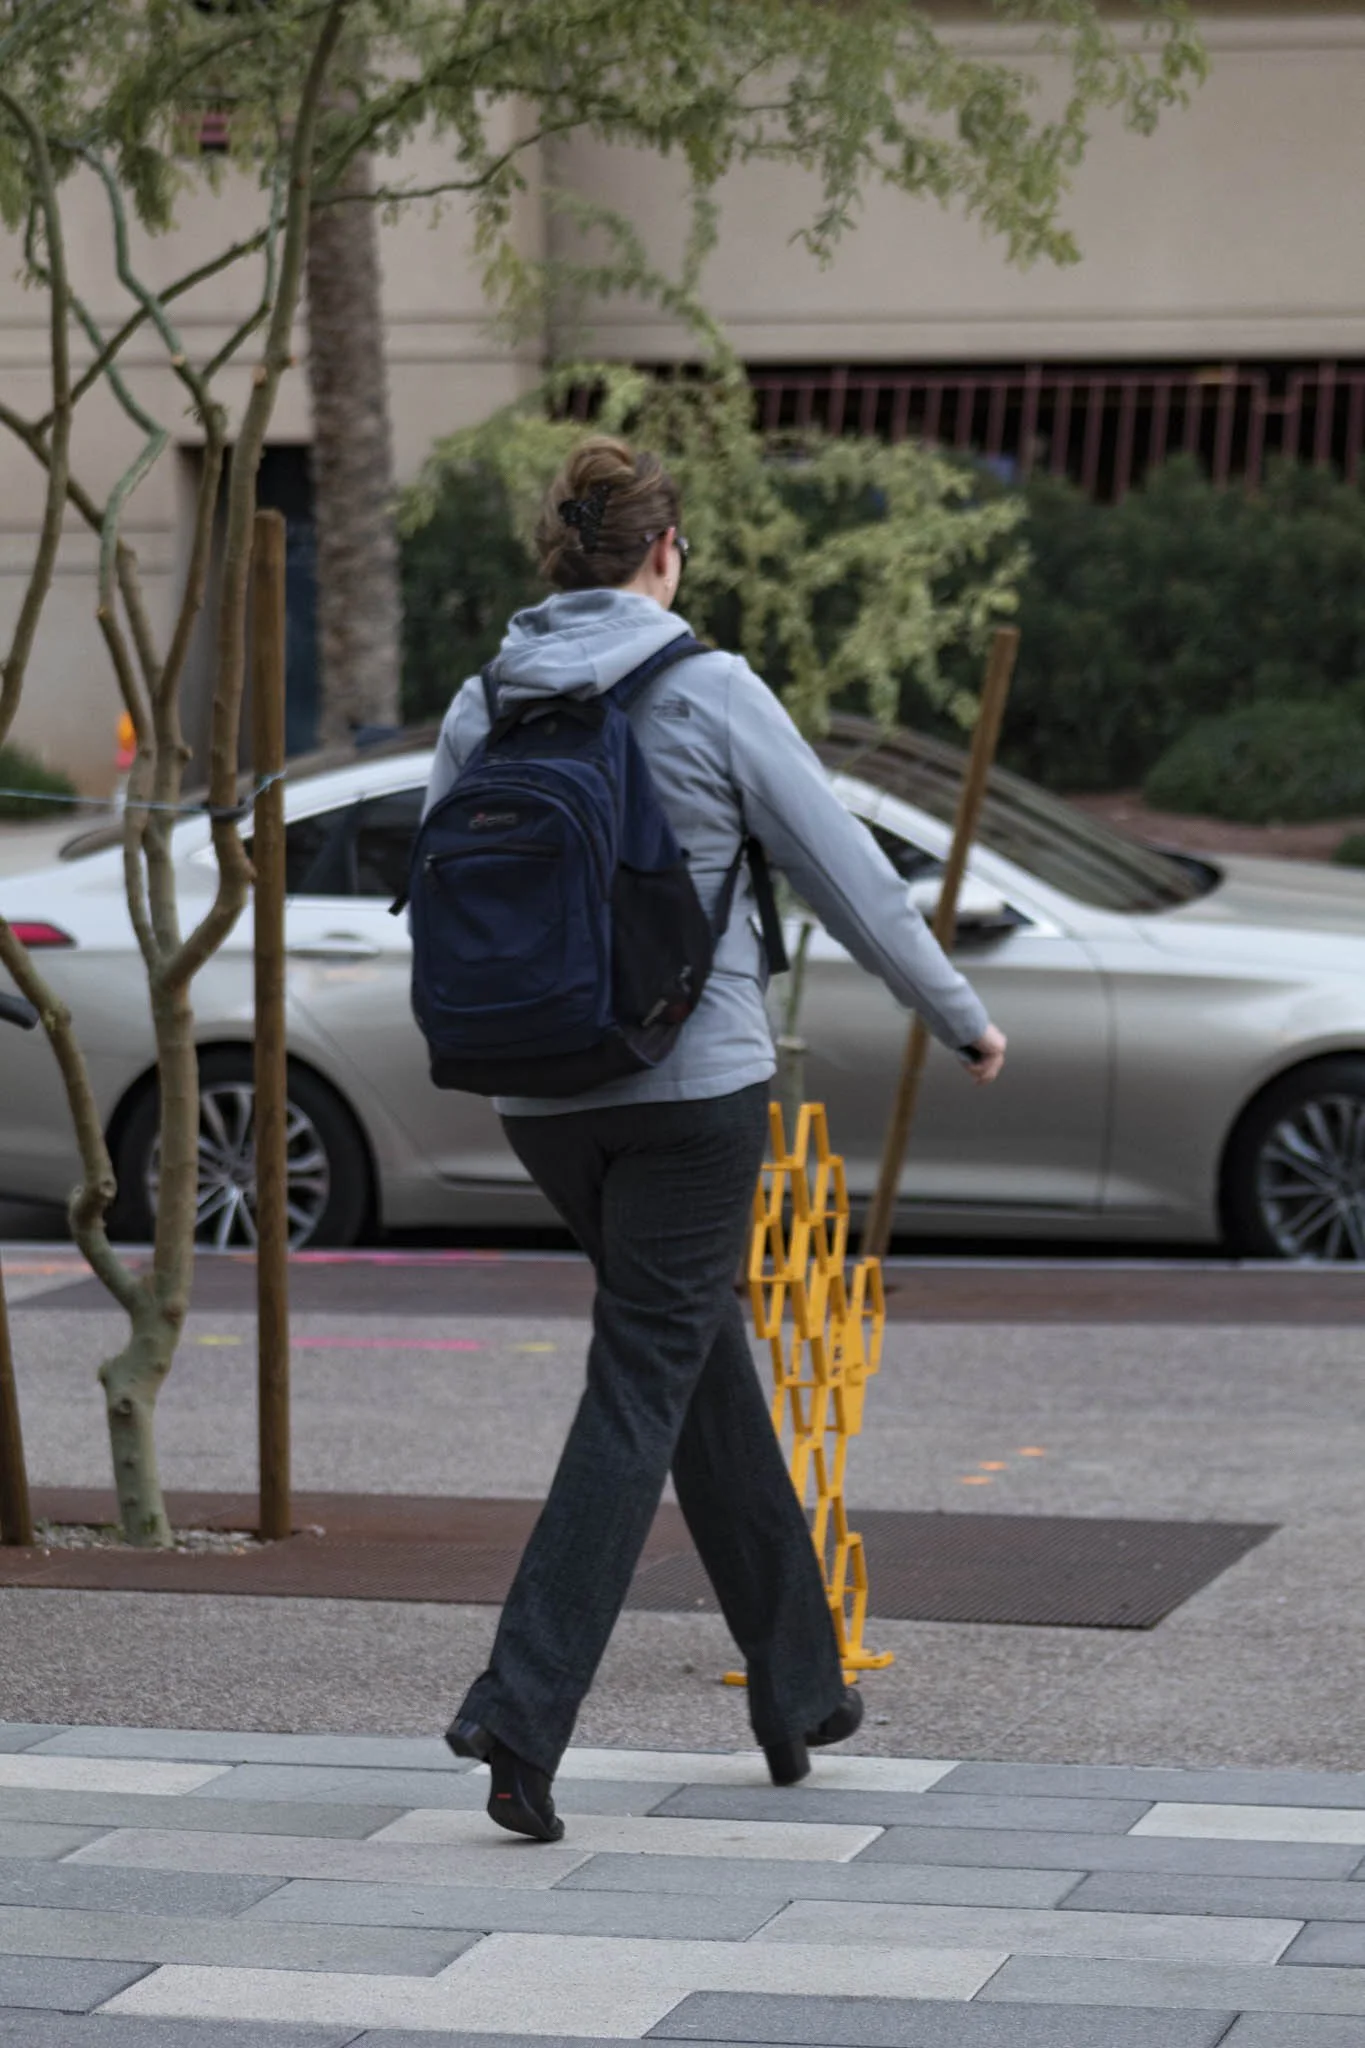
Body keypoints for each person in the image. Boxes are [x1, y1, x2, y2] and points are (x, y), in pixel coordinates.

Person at [426, 434, 1007, 1843]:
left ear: (559, 556)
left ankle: (799, 1685)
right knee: (646, 1373)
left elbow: (448, 889)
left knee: (686, 1361)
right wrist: (960, 1013)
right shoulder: (709, 686)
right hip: (691, 1091)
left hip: (537, 1095)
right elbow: (846, 870)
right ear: (665, 553)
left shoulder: (481, 698)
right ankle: (521, 1708)